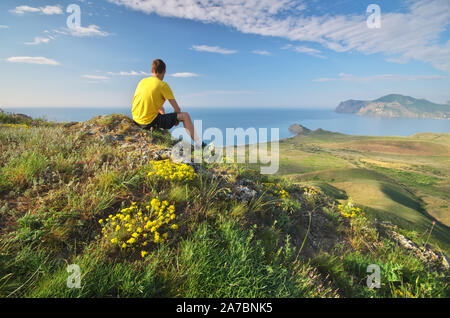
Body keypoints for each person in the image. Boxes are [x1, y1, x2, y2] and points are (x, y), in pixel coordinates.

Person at [131, 59, 206, 148]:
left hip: (136, 119)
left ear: (152, 70)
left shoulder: (142, 81)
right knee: (185, 116)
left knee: (161, 109)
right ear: (164, 71)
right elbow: (177, 109)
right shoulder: (163, 85)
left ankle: (160, 130)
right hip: (147, 123)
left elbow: (148, 101)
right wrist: (176, 119)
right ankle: (200, 144)